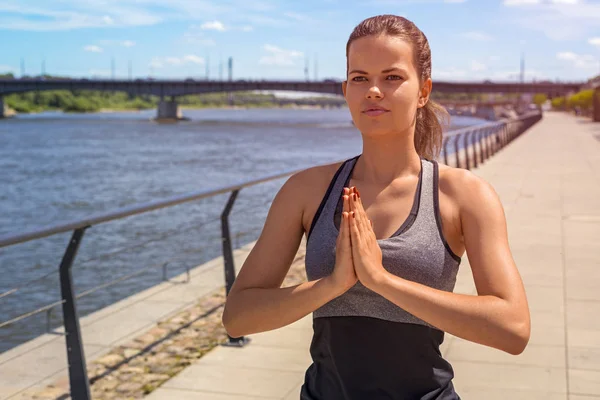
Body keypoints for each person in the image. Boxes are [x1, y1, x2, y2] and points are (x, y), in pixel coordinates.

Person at [222, 14, 531, 399]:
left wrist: (383, 281)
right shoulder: (307, 190)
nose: (373, 91)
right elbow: (237, 317)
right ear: (346, 90)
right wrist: (331, 285)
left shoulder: (463, 195)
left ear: (423, 91)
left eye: (392, 77)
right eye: (360, 78)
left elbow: (513, 328)